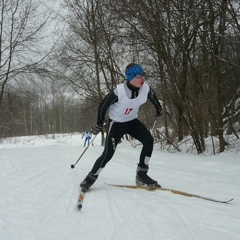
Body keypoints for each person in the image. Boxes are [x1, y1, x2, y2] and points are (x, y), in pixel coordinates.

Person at [80, 63, 163, 190]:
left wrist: (158, 108)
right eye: (139, 76)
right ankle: (90, 178)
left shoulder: (145, 88)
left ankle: (141, 174)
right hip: (117, 124)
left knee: (148, 141)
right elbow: (103, 105)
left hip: (132, 121)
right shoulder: (119, 91)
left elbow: (152, 96)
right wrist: (99, 123)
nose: (143, 78)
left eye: (143, 75)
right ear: (130, 77)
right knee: (108, 153)